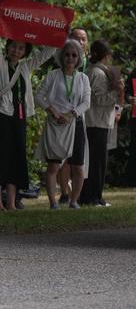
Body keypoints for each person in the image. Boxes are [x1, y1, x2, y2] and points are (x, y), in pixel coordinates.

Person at [0, 27, 55, 212]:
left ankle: (11, 202)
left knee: (16, 158)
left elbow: (45, 54)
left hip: (19, 117)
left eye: (21, 48)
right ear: (8, 48)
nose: (17, 50)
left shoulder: (25, 66)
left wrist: (59, 34)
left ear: (25, 52)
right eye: (14, 47)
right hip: (2, 115)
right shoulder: (0, 63)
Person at [34, 39, 91, 209]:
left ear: (79, 58)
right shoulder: (52, 75)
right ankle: (53, 203)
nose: (70, 58)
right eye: (67, 54)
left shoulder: (83, 78)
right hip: (56, 125)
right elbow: (38, 96)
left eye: (74, 55)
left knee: (78, 167)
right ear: (61, 56)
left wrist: (72, 114)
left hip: (76, 123)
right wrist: (52, 110)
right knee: (54, 166)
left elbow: (86, 102)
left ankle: (74, 201)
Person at [78, 40, 123, 207]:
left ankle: (90, 195)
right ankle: (93, 197)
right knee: (97, 162)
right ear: (107, 56)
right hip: (97, 122)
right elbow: (98, 99)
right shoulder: (98, 73)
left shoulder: (92, 71)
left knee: (93, 161)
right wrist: (116, 92)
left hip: (95, 122)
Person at [56, 27, 90, 202]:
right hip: (62, 117)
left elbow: (87, 99)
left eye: (83, 39)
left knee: (78, 158)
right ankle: (63, 193)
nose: (80, 42)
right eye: (77, 38)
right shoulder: (64, 62)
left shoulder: (87, 66)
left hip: (80, 117)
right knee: (63, 159)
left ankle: (75, 197)